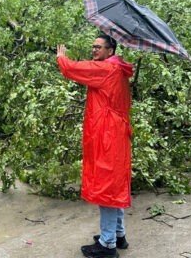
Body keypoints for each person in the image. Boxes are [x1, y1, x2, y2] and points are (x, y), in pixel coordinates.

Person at [56, 34, 134, 258]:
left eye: (98, 47)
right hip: (115, 135)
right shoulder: (117, 68)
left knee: (106, 189)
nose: (94, 50)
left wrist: (62, 58)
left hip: (107, 137)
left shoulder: (106, 69)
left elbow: (75, 69)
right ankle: (118, 235)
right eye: (93, 46)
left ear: (111, 51)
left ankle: (107, 244)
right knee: (115, 186)